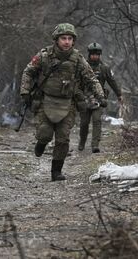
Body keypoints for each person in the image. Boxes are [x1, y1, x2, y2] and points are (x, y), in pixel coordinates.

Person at [20, 23, 105, 181]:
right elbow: (28, 72)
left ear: (73, 41)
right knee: (44, 133)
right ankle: (41, 143)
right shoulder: (44, 55)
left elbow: (92, 79)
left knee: (63, 139)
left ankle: (56, 171)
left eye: (70, 38)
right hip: (46, 101)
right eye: (63, 38)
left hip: (68, 104)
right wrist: (25, 92)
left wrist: (100, 96)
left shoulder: (78, 59)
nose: (66, 42)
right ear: (56, 39)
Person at [79, 42, 122, 153]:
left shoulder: (104, 68)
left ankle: (95, 145)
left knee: (97, 121)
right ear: (89, 54)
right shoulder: (82, 67)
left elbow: (112, 82)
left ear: (100, 55)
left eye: (97, 54)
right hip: (84, 99)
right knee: (84, 123)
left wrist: (119, 95)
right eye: (93, 54)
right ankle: (82, 142)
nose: (95, 56)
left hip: (99, 99)